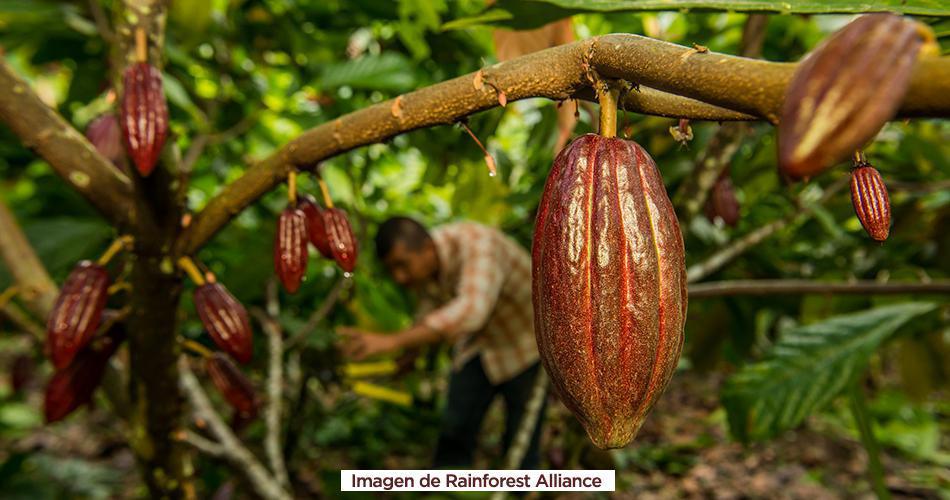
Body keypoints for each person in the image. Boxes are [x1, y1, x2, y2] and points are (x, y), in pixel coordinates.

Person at [339, 216, 546, 469]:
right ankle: (448, 489)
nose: (400, 277)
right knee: (455, 427)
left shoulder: (477, 244)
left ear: (426, 248)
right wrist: (412, 351)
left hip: (526, 346)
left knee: (521, 443)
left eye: (402, 265)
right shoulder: (428, 266)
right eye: (392, 270)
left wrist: (392, 341)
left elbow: (471, 311)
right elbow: (429, 311)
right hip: (481, 347)